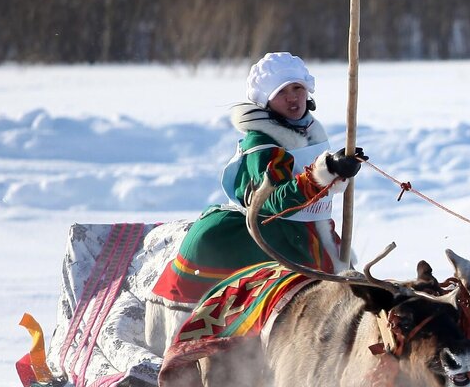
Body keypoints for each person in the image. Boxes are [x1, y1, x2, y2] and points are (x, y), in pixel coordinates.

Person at [152, 52, 366, 304]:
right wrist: (325, 171)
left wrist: (339, 172)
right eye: (281, 92)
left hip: (309, 234)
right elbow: (272, 200)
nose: (293, 97)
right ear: (265, 99)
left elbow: (316, 181)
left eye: (298, 87)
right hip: (273, 236)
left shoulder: (308, 131)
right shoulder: (262, 142)